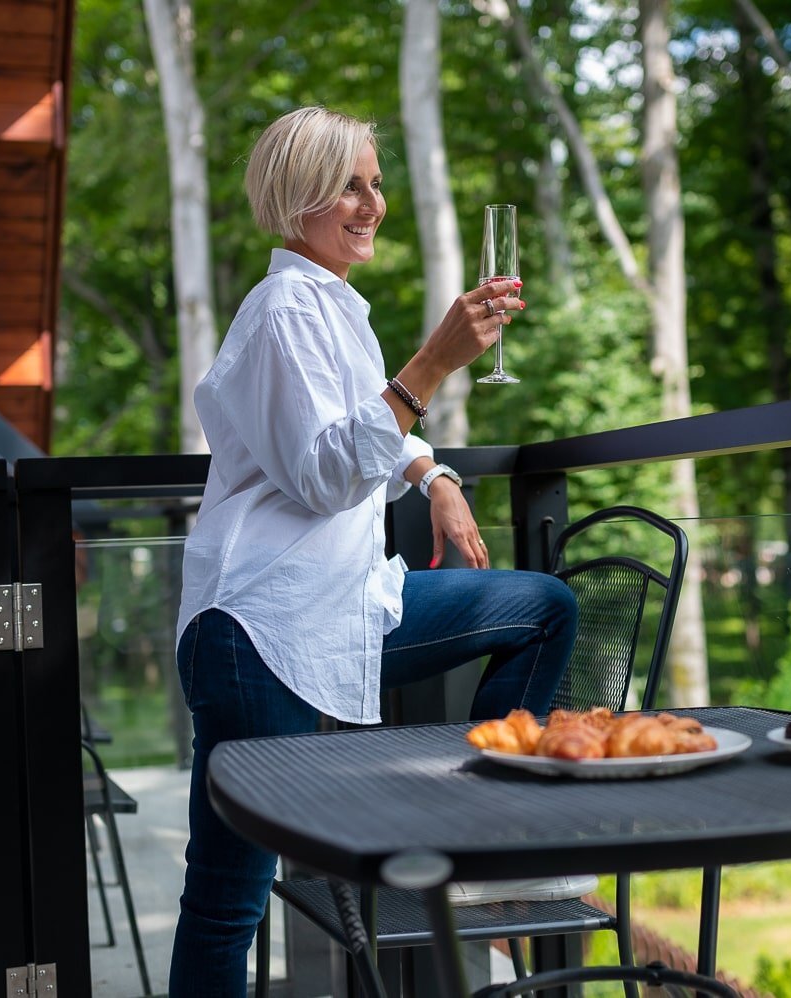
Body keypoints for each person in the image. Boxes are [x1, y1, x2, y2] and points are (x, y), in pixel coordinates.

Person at [169, 105, 581, 996]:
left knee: (543, 607)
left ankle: (481, 842)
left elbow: (366, 428)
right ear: (298, 197)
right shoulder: (283, 310)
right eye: (348, 187)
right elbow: (325, 473)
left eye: (376, 183)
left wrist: (433, 473)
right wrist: (432, 364)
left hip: (342, 608)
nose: (372, 204)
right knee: (228, 900)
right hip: (262, 630)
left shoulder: (332, 307)